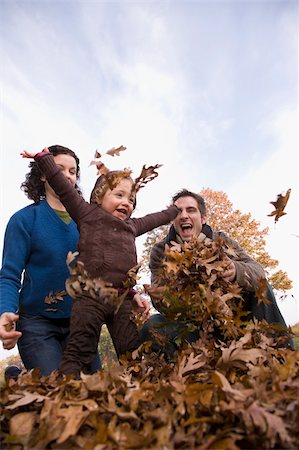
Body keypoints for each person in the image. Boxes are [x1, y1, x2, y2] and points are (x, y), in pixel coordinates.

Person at [21, 148, 179, 377]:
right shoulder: (87, 214)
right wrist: (44, 159)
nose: (127, 202)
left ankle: (141, 390)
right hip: (90, 298)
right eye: (119, 195)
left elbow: (154, 219)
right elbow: (63, 188)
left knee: (130, 349)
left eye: (131, 199)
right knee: (81, 349)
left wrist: (174, 211)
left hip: (121, 300)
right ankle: (67, 392)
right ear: (98, 197)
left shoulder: (131, 226)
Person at [141, 189, 291, 355]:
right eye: (177, 212)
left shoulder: (221, 240)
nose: (183, 215)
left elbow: (258, 272)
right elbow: (160, 303)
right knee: (151, 325)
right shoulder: (160, 251)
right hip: (192, 326)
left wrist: (236, 270)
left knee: (261, 287)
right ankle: (184, 373)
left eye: (191, 210)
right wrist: (168, 295)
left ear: (203, 218)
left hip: (231, 319)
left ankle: (284, 355)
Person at [0, 145, 102, 376]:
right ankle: (20, 379)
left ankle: (20, 379)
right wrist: (5, 310)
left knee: (95, 393)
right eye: (60, 168)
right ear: (44, 174)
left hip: (79, 322)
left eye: (73, 171)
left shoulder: (87, 222)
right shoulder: (23, 220)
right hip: (37, 323)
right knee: (57, 395)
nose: (67, 175)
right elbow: (9, 275)